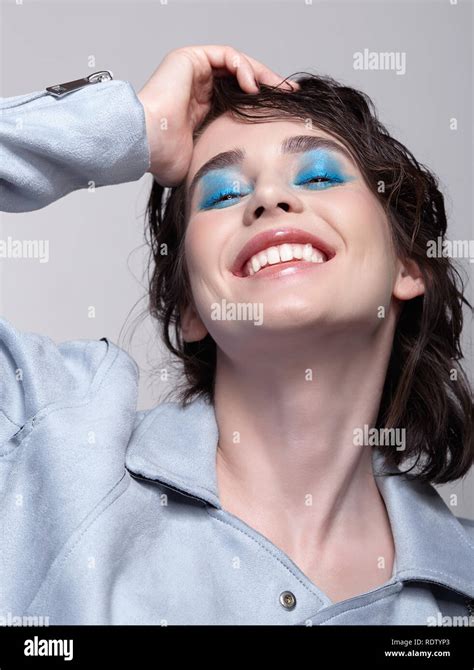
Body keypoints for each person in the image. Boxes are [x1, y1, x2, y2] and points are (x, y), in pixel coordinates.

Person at [0, 45, 473, 626]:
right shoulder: (46, 439)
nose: (269, 199)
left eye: (321, 176)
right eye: (223, 193)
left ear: (407, 266)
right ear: (189, 308)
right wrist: (134, 128)